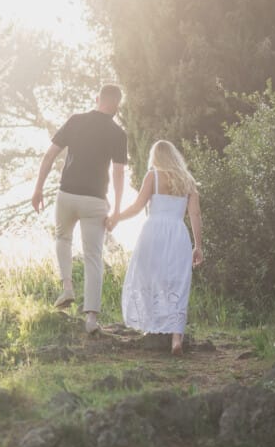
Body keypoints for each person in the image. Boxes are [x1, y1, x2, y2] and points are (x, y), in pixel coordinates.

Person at [32, 84, 128, 333]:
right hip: (95, 201)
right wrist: (117, 210)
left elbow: (50, 155)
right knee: (93, 257)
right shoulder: (118, 134)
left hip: (67, 194)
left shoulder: (75, 120)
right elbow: (118, 175)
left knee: (62, 238)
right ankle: (91, 320)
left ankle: (67, 287)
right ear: (117, 105)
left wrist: (38, 188)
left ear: (97, 99)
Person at [106, 140, 203, 356]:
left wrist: (116, 217)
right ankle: (176, 337)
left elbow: (138, 206)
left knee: (149, 276)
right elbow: (195, 215)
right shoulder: (188, 181)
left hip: (153, 232)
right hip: (178, 233)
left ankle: (153, 325)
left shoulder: (153, 176)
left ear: (155, 157)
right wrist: (198, 245)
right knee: (177, 281)